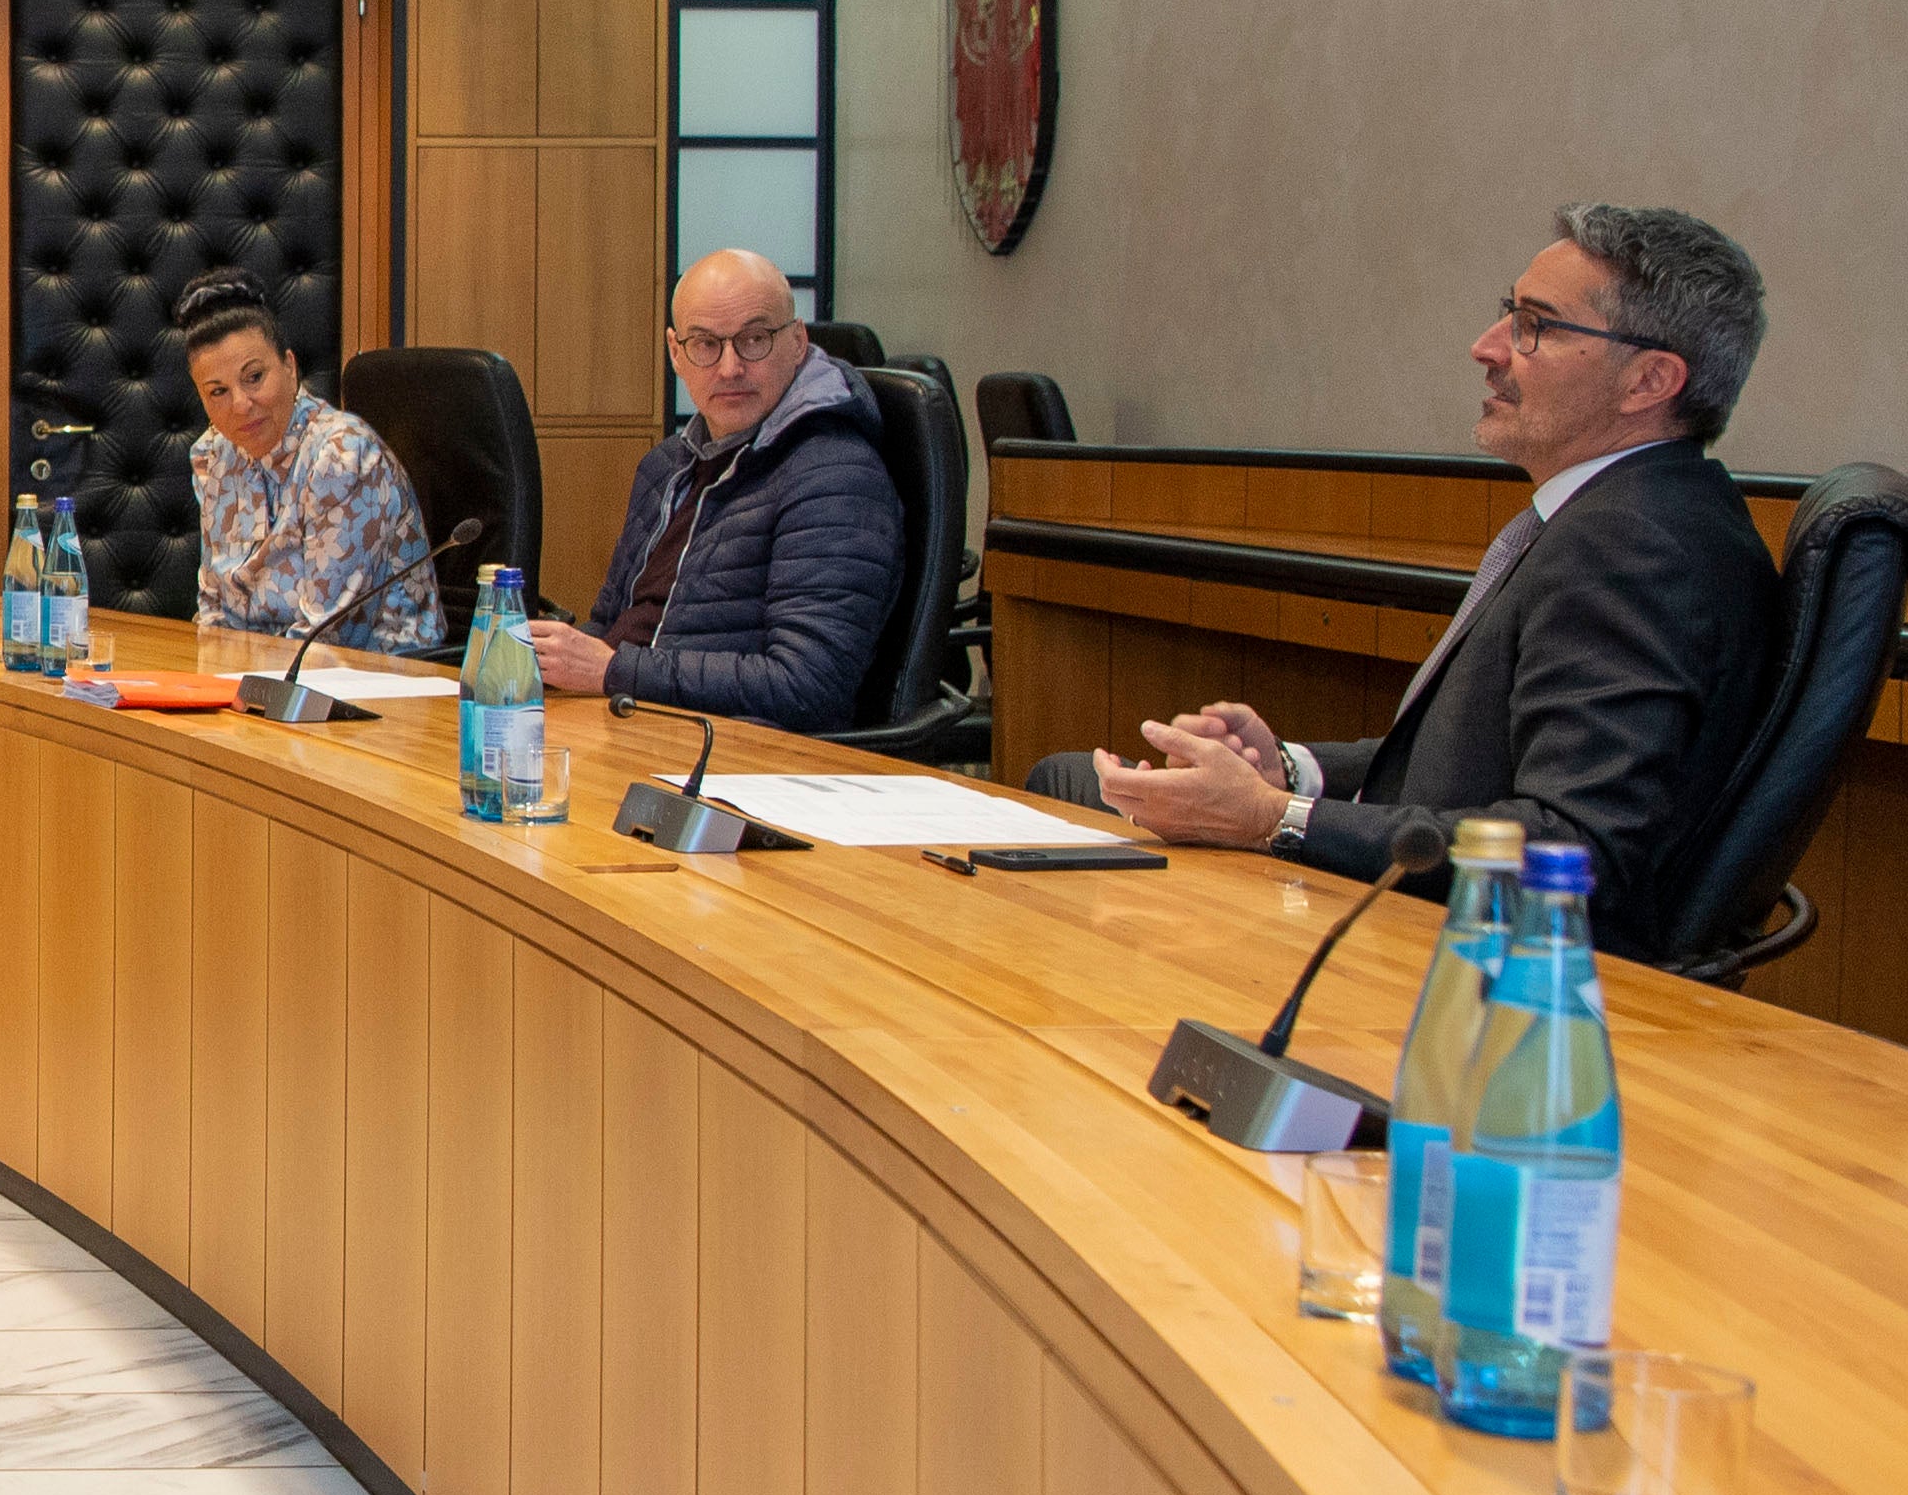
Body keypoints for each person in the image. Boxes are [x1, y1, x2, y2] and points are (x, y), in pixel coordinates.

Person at [1025, 208, 1782, 963]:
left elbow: (1575, 847)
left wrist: (1274, 819)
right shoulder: (1635, 514)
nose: (1487, 349)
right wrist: (1289, 772)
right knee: (1071, 786)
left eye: (1535, 327)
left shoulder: (1634, 545)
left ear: (1650, 379)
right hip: (1444, 920)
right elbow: (1476, 763)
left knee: (1074, 804)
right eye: (1506, 315)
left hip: (1486, 970)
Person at [528, 250, 906, 732]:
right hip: (633, 721)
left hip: (734, 755)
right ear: (676, 353)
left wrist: (613, 670)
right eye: (705, 344)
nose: (729, 368)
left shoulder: (834, 474)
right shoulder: (666, 467)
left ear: (797, 341)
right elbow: (609, 626)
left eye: (754, 340)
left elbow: (809, 686)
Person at [171, 271, 441, 655]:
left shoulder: (343, 455)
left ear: (290, 367)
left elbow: (328, 635)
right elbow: (215, 610)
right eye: (218, 391)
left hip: (374, 680)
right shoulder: (213, 454)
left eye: (254, 377)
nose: (241, 404)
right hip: (262, 681)